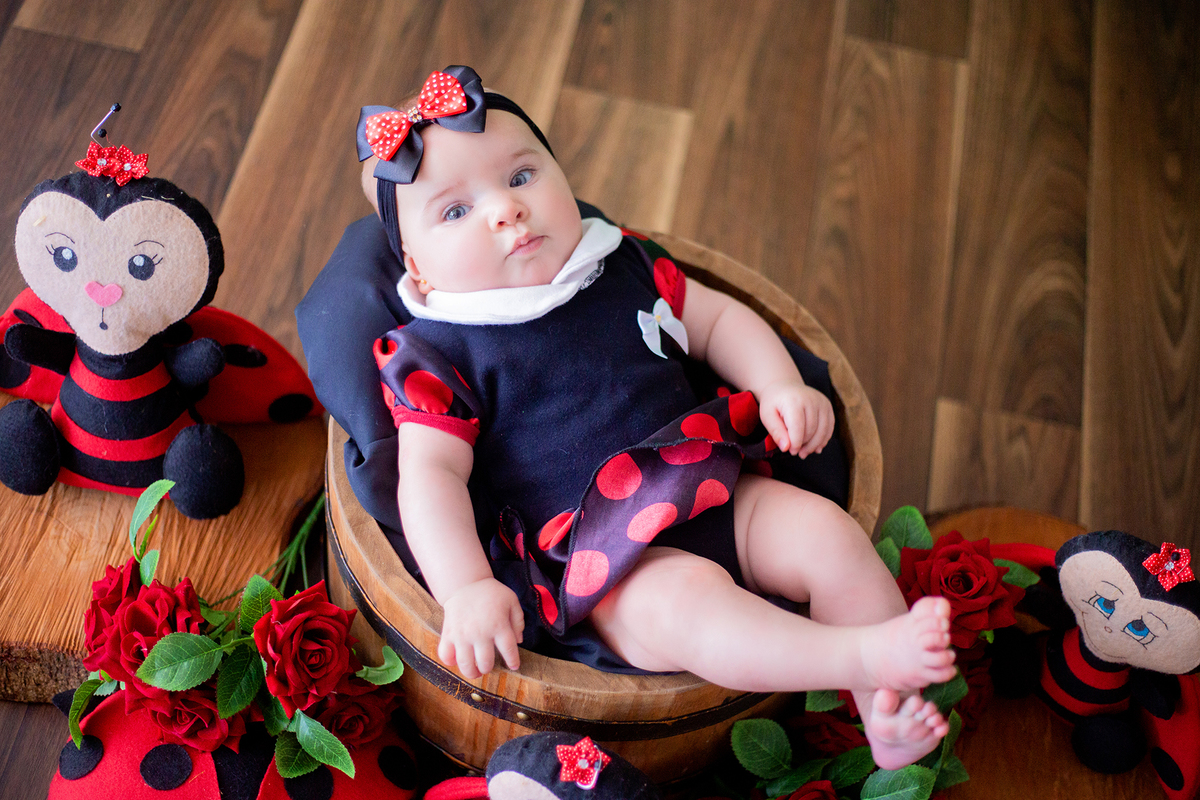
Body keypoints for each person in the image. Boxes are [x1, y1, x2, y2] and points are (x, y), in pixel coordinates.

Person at [357, 66, 956, 770]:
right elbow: (430, 478)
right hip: (607, 560)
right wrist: (466, 588)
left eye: (521, 176)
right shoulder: (440, 351)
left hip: (712, 482)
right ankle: (858, 657)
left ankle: (885, 712)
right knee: (689, 609)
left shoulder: (619, 264)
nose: (506, 211)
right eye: (457, 211)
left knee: (828, 536)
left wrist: (777, 384)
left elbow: (718, 319)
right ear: (418, 267)